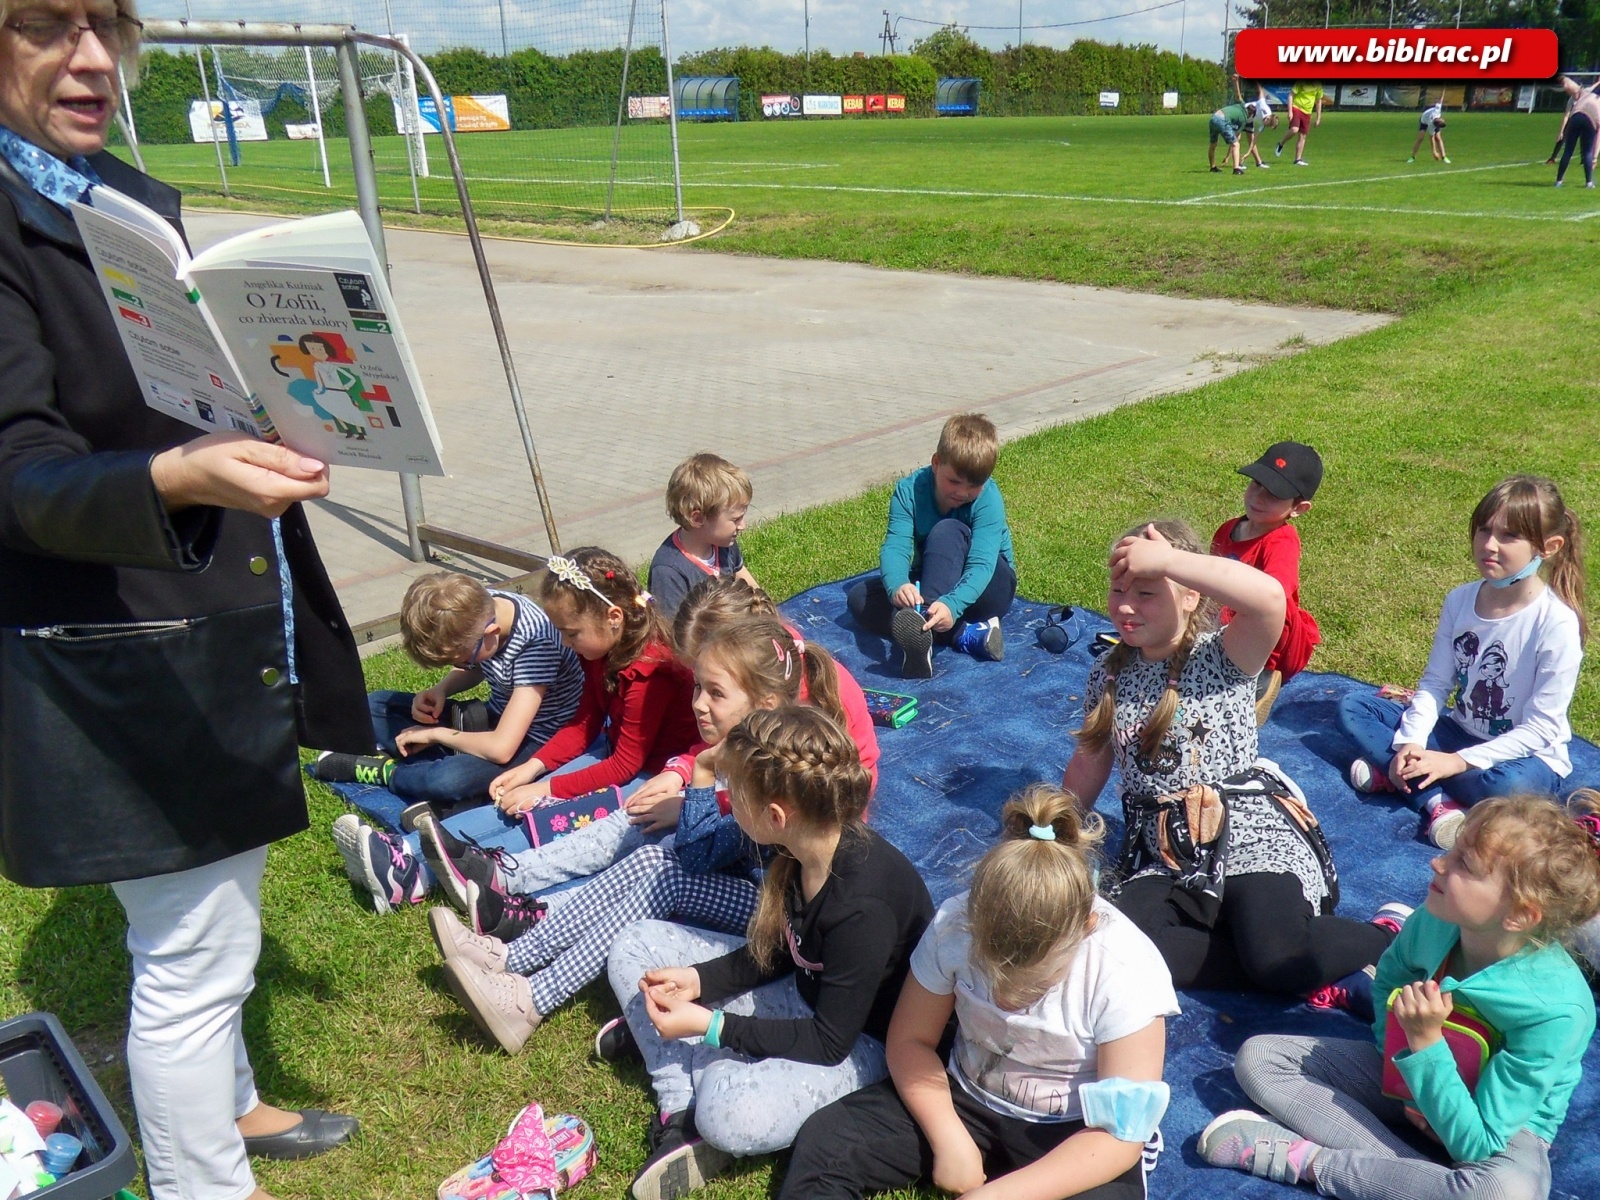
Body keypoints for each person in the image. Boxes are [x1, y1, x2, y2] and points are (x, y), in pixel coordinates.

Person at [0, 5, 372, 1197]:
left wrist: (257, 410)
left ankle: (237, 1108)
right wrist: (177, 475)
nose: (95, 58)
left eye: (106, 25)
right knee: (191, 959)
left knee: (213, 925)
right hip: (121, 641)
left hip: (213, 611)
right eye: (46, 27)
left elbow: (164, 389)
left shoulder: (125, 195)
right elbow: (20, 476)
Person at [427, 615, 863, 1053]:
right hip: (759, 893)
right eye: (698, 687)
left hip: (782, 925)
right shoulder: (752, 751)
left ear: (765, 703)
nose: (697, 703)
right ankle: (511, 958)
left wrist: (701, 773)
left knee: (668, 871)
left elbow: (696, 855)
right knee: (654, 858)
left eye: (715, 693)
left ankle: (531, 998)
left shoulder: (768, 773)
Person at [781, 784, 1178, 1200]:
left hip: (1075, 1132)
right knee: (827, 1143)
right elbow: (911, 1040)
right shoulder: (955, 923)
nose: (1007, 1001)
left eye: (1034, 985)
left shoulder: (1126, 970)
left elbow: (1119, 1138)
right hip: (964, 1098)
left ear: (1085, 928)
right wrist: (948, 1136)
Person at [1199, 793, 1600, 1200]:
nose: (1438, 862)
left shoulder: (1558, 1010)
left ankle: (1312, 1162)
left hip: (1504, 1129)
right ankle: (1412, 1180)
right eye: (1453, 849)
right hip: (1408, 1075)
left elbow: (1477, 1143)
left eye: (1465, 864)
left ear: (1519, 914)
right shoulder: (1435, 919)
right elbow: (1388, 981)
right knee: (1261, 1058)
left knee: (1503, 1194)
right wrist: (1407, 1073)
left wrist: (1426, 1048)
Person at [604, 706, 934, 1199]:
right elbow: (787, 949)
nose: (726, 801)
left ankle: (686, 1074)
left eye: (732, 793)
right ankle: (678, 1100)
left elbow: (829, 1043)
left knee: (728, 1112)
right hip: (799, 997)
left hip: (862, 1045)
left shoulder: (862, 906)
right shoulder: (801, 844)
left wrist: (709, 1025)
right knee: (635, 946)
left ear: (775, 814)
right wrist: (700, 980)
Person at [1062, 521, 1397, 998]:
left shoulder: (1223, 655)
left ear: (1191, 595)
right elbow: (1091, 757)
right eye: (1118, 590)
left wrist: (1172, 563)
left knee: (1278, 959)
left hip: (1249, 834)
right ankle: (1257, 950)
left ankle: (1386, 935)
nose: (1127, 606)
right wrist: (1058, 824)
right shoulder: (1108, 672)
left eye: (1148, 591)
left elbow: (1269, 600)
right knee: (1117, 950)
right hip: (1164, 854)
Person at [337, 547, 697, 912]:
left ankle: (418, 874)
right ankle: (405, 852)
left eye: (570, 634)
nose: (566, 645)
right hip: (615, 752)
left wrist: (546, 786)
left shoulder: (651, 672)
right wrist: (532, 769)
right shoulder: (600, 649)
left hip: (654, 774)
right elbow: (583, 724)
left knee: (543, 822)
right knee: (512, 801)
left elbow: (625, 766)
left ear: (613, 617)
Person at [1338, 475, 1585, 850]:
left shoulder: (1556, 623)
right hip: (1457, 732)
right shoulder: (1460, 600)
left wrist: (1452, 763)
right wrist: (1411, 742)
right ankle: (1438, 802)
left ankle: (1402, 778)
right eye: (1483, 530)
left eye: (1509, 536)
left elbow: (1541, 730)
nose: (1489, 545)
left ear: (1548, 547)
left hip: (1523, 758)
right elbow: (1436, 683)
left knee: (1508, 788)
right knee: (1354, 706)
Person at [315, 572, 583, 804]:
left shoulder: (536, 646)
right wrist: (442, 690)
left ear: (492, 632)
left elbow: (502, 748)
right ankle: (430, 759)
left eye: (461, 659)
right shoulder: (482, 606)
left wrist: (436, 735)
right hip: (498, 715)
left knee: (449, 779)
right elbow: (477, 665)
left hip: (536, 739)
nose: (461, 666)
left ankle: (389, 772)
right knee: (376, 706)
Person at [846, 412, 1017, 678]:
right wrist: (898, 587)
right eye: (954, 481)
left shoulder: (989, 499)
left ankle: (923, 631)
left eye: (974, 486)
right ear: (936, 463)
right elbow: (896, 546)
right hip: (935, 578)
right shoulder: (908, 491)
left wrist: (952, 604)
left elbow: (982, 564)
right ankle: (963, 634)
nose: (962, 493)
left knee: (947, 530)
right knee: (859, 598)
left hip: (989, 585)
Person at [1210, 441, 1324, 725]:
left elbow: (1273, 598)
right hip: (1219, 624)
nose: (1259, 497)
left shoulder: (1281, 541)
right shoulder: (1229, 528)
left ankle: (1260, 678)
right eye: (1256, 484)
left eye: (1274, 494)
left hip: (1265, 639)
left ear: (1299, 508)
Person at [648, 452, 761, 620]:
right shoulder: (669, 572)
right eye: (736, 519)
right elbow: (670, 634)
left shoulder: (723, 543)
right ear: (698, 519)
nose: (742, 526)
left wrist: (768, 614)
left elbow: (746, 580)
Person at [1554, 74, 1599, 188]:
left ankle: (1559, 181)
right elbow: (1598, 138)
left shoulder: (1582, 94)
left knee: (1568, 151)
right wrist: (1595, 157)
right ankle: (1589, 182)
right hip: (1590, 120)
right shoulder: (1589, 96)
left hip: (1576, 117)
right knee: (1587, 152)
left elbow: (1572, 87)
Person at [1276, 81, 1325, 165]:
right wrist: (1290, 111)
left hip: (1307, 112)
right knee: (1294, 129)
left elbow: (1318, 101)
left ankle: (1297, 160)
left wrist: (1318, 117)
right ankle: (1281, 143)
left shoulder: (1318, 85)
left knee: (1302, 136)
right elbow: (1291, 95)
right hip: (1297, 107)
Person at [1236, 79, 1278, 170]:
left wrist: (1247, 154)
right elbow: (1261, 92)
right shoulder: (1264, 107)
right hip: (1244, 113)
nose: (1265, 125)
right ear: (1268, 118)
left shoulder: (1265, 123)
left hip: (1250, 120)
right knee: (1236, 139)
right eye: (1268, 124)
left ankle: (1258, 162)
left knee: (1251, 140)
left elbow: (1254, 141)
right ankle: (1237, 164)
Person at [1208, 100, 1252, 174]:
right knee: (1236, 145)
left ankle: (1213, 167)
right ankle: (1236, 169)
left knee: (1213, 144)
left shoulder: (1239, 106)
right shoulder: (1244, 118)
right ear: (1251, 114)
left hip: (1213, 118)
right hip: (1222, 120)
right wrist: (1227, 156)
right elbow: (1236, 137)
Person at [1409, 91, 1449, 164]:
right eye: (1442, 120)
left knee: (1438, 138)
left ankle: (1444, 157)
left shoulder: (1434, 120)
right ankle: (1412, 157)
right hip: (1423, 121)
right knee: (1420, 138)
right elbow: (1431, 138)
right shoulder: (1433, 120)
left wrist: (1434, 151)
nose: (1442, 118)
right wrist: (1434, 152)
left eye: (1442, 120)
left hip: (1428, 121)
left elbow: (1431, 138)